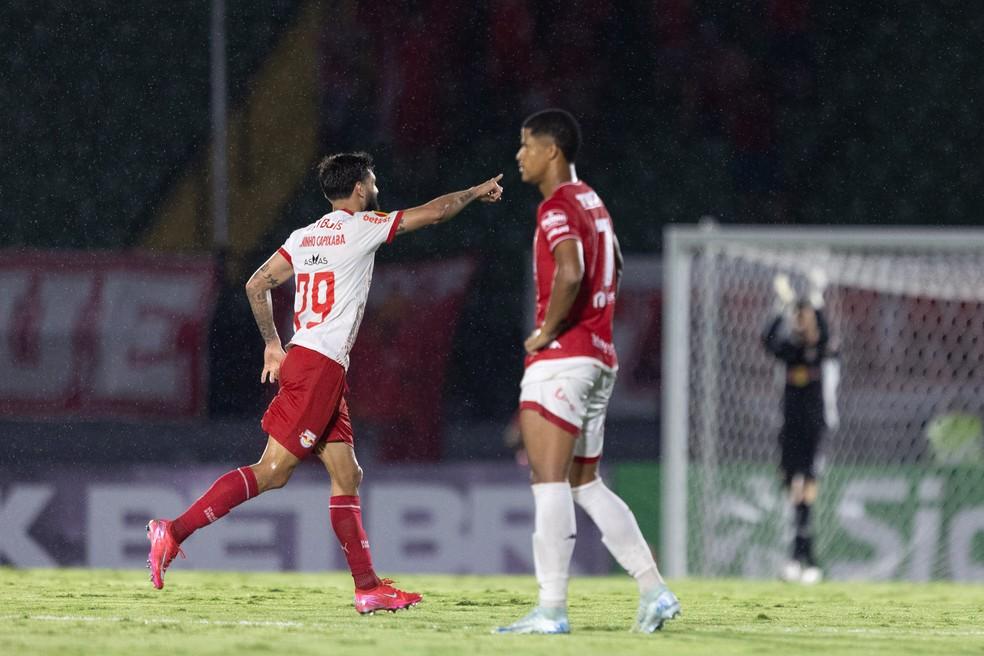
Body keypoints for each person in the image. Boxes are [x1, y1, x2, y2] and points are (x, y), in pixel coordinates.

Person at [146, 152, 503, 614]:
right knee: (272, 471)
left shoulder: (305, 236)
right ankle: (172, 531)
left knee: (347, 474)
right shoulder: (363, 226)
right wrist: (474, 192)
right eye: (371, 179)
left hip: (311, 360)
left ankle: (368, 587)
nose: (375, 184)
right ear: (358, 188)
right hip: (318, 368)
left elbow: (257, 285)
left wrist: (273, 344)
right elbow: (435, 213)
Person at [495, 109, 680, 635]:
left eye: (526, 145)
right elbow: (614, 262)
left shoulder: (555, 207)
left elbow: (571, 270)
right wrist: (597, 320)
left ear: (551, 150)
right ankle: (654, 588)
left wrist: (548, 330)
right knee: (585, 482)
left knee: (547, 481)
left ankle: (551, 608)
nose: (520, 155)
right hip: (599, 358)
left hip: (563, 360)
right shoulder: (593, 201)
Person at [763, 272, 839, 585]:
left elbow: (823, 333)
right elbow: (767, 340)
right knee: (793, 489)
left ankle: (800, 559)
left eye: (805, 316)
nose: (801, 322)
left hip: (815, 426)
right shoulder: (790, 350)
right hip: (789, 425)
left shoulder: (824, 349)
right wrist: (782, 306)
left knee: (804, 487)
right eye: (799, 316)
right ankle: (806, 559)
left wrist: (816, 301)